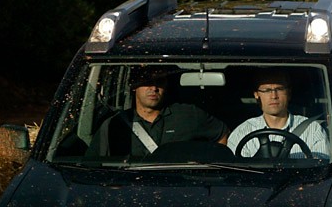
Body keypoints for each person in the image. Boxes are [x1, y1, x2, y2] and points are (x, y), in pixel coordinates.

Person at [87, 66, 228, 157]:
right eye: (147, 82)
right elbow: (92, 164)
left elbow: (222, 134)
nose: (153, 88)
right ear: (134, 86)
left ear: (166, 86)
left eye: (159, 82)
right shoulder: (115, 125)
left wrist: (213, 170)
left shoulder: (188, 114)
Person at [228, 69, 329, 159]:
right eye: (267, 90)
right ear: (257, 95)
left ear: (289, 93)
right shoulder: (242, 132)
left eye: (279, 89)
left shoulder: (312, 129)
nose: (274, 96)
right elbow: (234, 172)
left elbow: (321, 169)